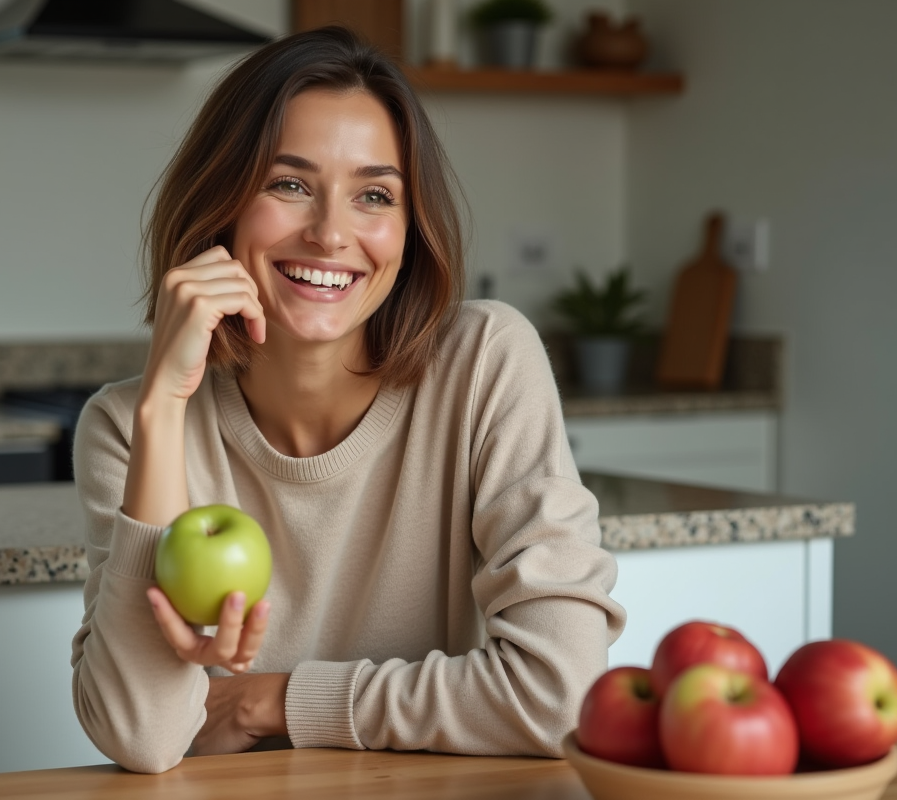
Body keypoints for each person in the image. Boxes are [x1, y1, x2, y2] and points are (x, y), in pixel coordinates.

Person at [70, 26, 626, 774]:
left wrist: (276, 700)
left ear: (409, 226)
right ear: (222, 205)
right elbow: (143, 737)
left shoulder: (485, 362)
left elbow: (560, 694)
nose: (332, 234)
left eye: (374, 195)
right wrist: (163, 409)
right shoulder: (127, 428)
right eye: (288, 183)